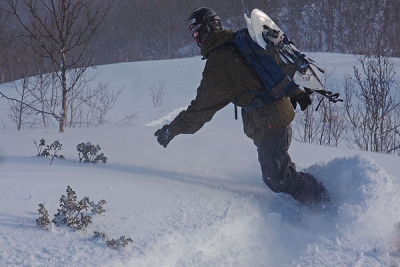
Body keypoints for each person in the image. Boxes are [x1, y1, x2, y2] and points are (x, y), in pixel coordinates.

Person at [154, 7, 330, 207]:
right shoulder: (239, 40)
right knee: (279, 170)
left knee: (277, 179)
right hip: (277, 114)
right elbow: (270, 65)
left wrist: (172, 129)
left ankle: (324, 203)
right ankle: (312, 199)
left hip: (269, 122)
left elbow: (200, 109)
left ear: (205, 30)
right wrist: (295, 91)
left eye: (196, 33)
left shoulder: (219, 62)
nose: (196, 39)